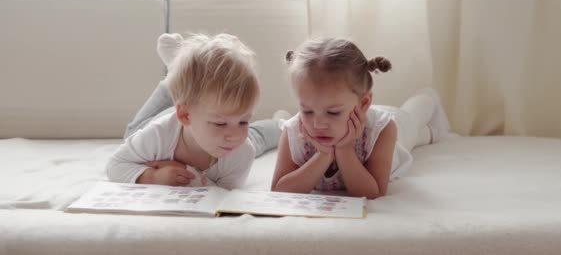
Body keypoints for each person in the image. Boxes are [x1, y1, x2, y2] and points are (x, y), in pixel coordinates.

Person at [271, 37, 450, 199]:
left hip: (398, 125)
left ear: (363, 103)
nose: (318, 124)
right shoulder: (294, 130)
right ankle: (428, 133)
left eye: (333, 113)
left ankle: (428, 97)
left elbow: (373, 192)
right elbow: (279, 190)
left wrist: (344, 149)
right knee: (422, 135)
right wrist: (324, 154)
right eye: (307, 111)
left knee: (413, 118)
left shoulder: (383, 129)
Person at [106, 33, 280, 189]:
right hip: (155, 121)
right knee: (132, 133)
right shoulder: (158, 134)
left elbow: (223, 196)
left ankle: (281, 125)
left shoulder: (241, 151)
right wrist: (152, 176)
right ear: (185, 115)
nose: (234, 135)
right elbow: (115, 165)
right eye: (220, 124)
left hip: (194, 109)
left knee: (255, 138)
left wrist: (188, 173)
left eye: (244, 121)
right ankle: (175, 68)